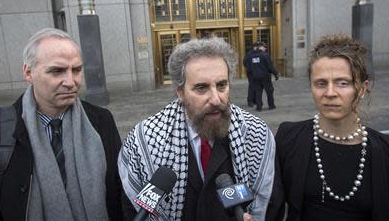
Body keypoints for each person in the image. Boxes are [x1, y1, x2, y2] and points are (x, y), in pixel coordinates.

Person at [0, 28, 130, 220]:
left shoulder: (101, 121)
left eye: (77, 70)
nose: (71, 82)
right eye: (57, 71)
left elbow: (118, 191)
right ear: (28, 72)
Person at [118, 37, 276, 221]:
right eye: (202, 88)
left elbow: (271, 203)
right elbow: (132, 211)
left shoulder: (255, 134)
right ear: (180, 92)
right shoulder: (143, 141)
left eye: (222, 85)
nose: (216, 99)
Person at [267, 34, 389, 221]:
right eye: (321, 83)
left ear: (362, 88)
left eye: (343, 83)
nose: (330, 93)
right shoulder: (288, 138)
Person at [244, 41, 279, 111]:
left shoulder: (251, 56)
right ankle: (271, 105)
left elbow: (249, 66)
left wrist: (253, 73)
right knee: (269, 91)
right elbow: (270, 66)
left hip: (256, 77)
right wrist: (275, 73)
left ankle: (259, 107)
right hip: (265, 77)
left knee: (258, 92)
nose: (265, 49)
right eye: (265, 47)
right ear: (261, 47)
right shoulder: (265, 55)